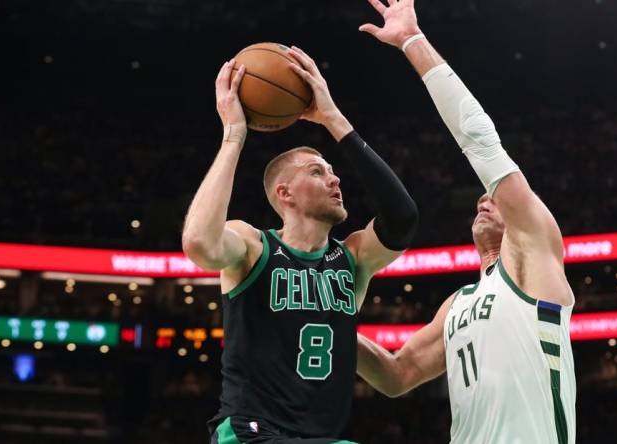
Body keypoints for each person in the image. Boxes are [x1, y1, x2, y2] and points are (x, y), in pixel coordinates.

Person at [355, 1, 576, 443]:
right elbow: (398, 374)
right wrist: (326, 319)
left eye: (493, 197)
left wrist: (411, 42)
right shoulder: (457, 303)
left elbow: (479, 141)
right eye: (481, 199)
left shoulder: (535, 254)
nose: (484, 199)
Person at [182, 46, 418, 444]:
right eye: (317, 171)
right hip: (250, 432)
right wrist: (234, 136)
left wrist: (334, 119)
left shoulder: (353, 257)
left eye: (332, 171)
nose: (335, 179)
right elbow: (200, 242)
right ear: (285, 193)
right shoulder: (253, 247)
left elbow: (402, 217)